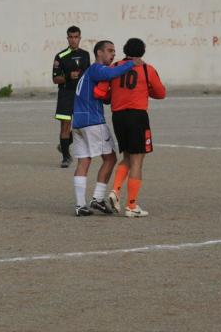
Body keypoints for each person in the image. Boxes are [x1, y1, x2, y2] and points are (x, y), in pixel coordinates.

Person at [94, 38, 166, 217]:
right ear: (142, 52)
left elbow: (102, 93)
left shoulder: (114, 67)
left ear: (125, 50)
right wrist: (144, 89)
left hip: (118, 117)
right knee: (137, 160)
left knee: (127, 156)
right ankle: (131, 206)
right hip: (137, 117)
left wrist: (116, 94)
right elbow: (160, 93)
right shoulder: (147, 69)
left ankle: (115, 191)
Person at [72, 40, 141, 217]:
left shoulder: (89, 72)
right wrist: (131, 63)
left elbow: (101, 93)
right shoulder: (97, 68)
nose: (113, 54)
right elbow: (111, 73)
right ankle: (98, 198)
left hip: (78, 121)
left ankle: (80, 205)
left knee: (83, 161)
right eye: (109, 50)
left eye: (114, 51)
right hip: (93, 122)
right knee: (110, 158)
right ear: (99, 53)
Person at [52, 26, 91, 168]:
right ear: (67, 38)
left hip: (81, 95)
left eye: (76, 37)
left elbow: (88, 75)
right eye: (71, 37)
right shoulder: (60, 56)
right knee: (65, 125)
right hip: (66, 95)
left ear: (80, 38)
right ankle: (66, 157)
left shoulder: (85, 54)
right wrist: (68, 76)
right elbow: (55, 79)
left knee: (83, 126)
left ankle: (65, 144)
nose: (73, 40)